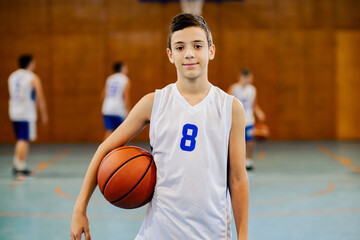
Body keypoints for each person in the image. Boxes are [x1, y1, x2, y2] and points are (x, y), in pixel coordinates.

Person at [70, 13, 249, 240]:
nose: (189, 54)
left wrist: (243, 235)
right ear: (170, 55)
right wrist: (80, 208)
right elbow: (104, 149)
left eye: (197, 45)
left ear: (211, 51)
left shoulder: (230, 108)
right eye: (180, 47)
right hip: (157, 234)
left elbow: (238, 178)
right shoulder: (153, 103)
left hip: (211, 234)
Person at [8, 54, 48, 177]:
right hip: (26, 111)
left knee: (20, 138)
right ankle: (21, 166)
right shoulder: (32, 77)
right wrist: (43, 113)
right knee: (23, 140)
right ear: (30, 64)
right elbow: (39, 96)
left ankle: (16, 163)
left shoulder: (12, 76)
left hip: (14, 110)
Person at [228, 68, 265, 171]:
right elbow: (227, 102)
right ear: (240, 77)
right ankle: (236, 161)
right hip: (236, 119)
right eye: (246, 77)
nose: (248, 79)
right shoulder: (234, 88)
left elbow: (254, 105)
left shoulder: (252, 89)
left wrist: (259, 112)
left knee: (250, 141)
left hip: (249, 119)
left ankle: (248, 161)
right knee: (237, 141)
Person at [101, 62, 130, 139]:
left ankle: (104, 150)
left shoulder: (110, 78)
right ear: (122, 69)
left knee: (109, 131)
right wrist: (128, 110)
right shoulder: (125, 79)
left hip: (107, 108)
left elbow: (103, 95)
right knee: (121, 133)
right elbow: (125, 97)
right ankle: (120, 151)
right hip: (118, 109)